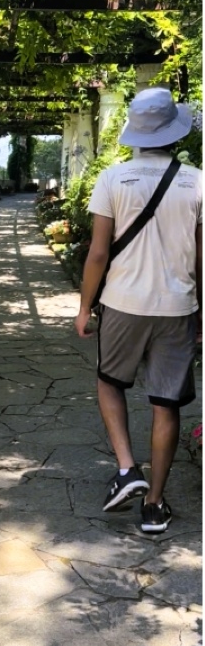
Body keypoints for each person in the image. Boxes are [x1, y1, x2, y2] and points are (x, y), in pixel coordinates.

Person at [75, 86, 201, 535]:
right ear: (174, 132)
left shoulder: (113, 178)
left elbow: (97, 254)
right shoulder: (198, 181)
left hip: (123, 304)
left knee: (109, 382)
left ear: (137, 133)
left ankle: (128, 467)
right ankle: (154, 505)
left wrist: (85, 307)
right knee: (165, 404)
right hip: (177, 308)